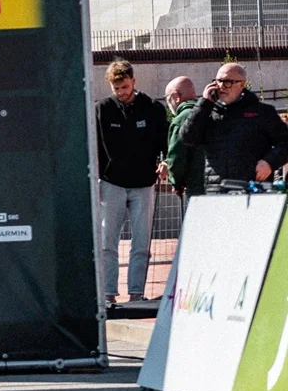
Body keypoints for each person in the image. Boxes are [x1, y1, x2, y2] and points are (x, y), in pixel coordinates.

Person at [94, 59, 168, 305]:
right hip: (111, 182)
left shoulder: (152, 108)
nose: (121, 93)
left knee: (141, 241)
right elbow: (93, 145)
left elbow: (164, 141)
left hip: (144, 184)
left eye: (125, 87)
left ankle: (136, 292)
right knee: (108, 241)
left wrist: (165, 161)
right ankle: (108, 292)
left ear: (133, 81)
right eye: (117, 88)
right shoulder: (102, 109)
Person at [178, 62, 288, 192]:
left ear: (242, 84)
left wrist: (269, 163)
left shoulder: (262, 113)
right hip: (217, 189)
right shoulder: (208, 112)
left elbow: (285, 142)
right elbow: (187, 138)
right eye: (218, 81)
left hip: (252, 188)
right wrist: (203, 104)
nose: (221, 87)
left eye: (227, 82)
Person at [164, 76, 205, 201]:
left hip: (196, 187)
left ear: (176, 96)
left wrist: (176, 182)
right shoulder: (210, 112)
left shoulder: (181, 119)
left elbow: (177, 157)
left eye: (167, 98)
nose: (168, 103)